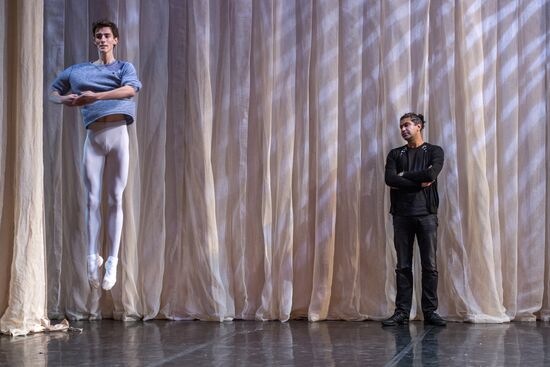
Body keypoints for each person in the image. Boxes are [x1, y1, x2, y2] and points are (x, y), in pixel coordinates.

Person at [49, 20, 141, 291]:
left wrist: (96, 97)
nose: (102, 39)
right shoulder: (78, 71)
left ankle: (112, 259)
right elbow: (52, 92)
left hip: (118, 133)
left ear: (116, 40)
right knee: (91, 199)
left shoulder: (124, 68)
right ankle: (92, 257)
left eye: (106, 36)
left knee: (114, 198)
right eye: (98, 36)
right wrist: (64, 99)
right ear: (94, 41)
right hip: (94, 137)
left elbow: (131, 90)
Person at [382, 112, 446, 327]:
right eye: (401, 126)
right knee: (403, 266)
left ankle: (430, 312)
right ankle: (401, 312)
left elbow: (431, 175)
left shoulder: (434, 151)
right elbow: (389, 179)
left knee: (430, 265)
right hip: (401, 215)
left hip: (426, 215)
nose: (403, 129)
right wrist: (417, 181)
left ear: (419, 126)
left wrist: (403, 178)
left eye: (407, 125)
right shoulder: (395, 154)